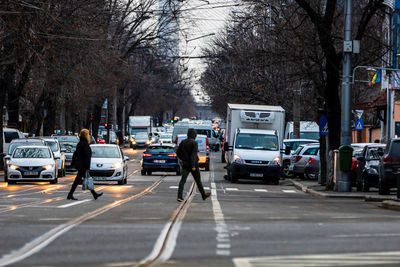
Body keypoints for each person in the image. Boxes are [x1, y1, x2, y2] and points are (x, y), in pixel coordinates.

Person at [67, 129, 103, 200]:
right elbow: (87, 157)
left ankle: (94, 194)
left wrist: (73, 163)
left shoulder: (80, 143)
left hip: (80, 165)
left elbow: (75, 154)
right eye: (88, 134)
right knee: (82, 179)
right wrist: (87, 167)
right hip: (83, 165)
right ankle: (70, 194)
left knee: (82, 179)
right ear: (86, 135)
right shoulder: (85, 144)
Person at [176, 128, 211, 202]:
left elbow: (178, 152)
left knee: (183, 180)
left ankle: (179, 196)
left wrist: (183, 159)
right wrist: (193, 166)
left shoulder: (183, 142)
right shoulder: (194, 143)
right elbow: (193, 155)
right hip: (193, 165)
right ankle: (203, 195)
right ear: (194, 135)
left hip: (185, 165)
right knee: (198, 180)